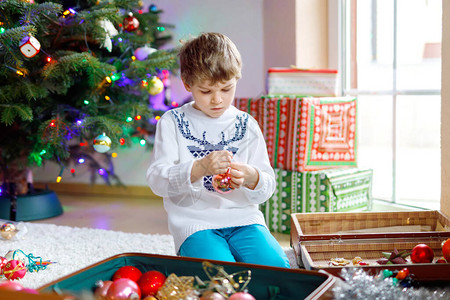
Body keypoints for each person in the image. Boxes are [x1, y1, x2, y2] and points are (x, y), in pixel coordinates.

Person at [146, 32, 290, 268]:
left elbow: (267, 185)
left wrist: (251, 177)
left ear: (237, 79)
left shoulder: (247, 125)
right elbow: (157, 180)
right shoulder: (172, 122)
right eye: (206, 91)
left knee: (277, 269)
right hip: (196, 224)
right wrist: (199, 167)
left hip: (245, 220)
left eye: (226, 89)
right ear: (187, 84)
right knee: (220, 277)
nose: (217, 100)